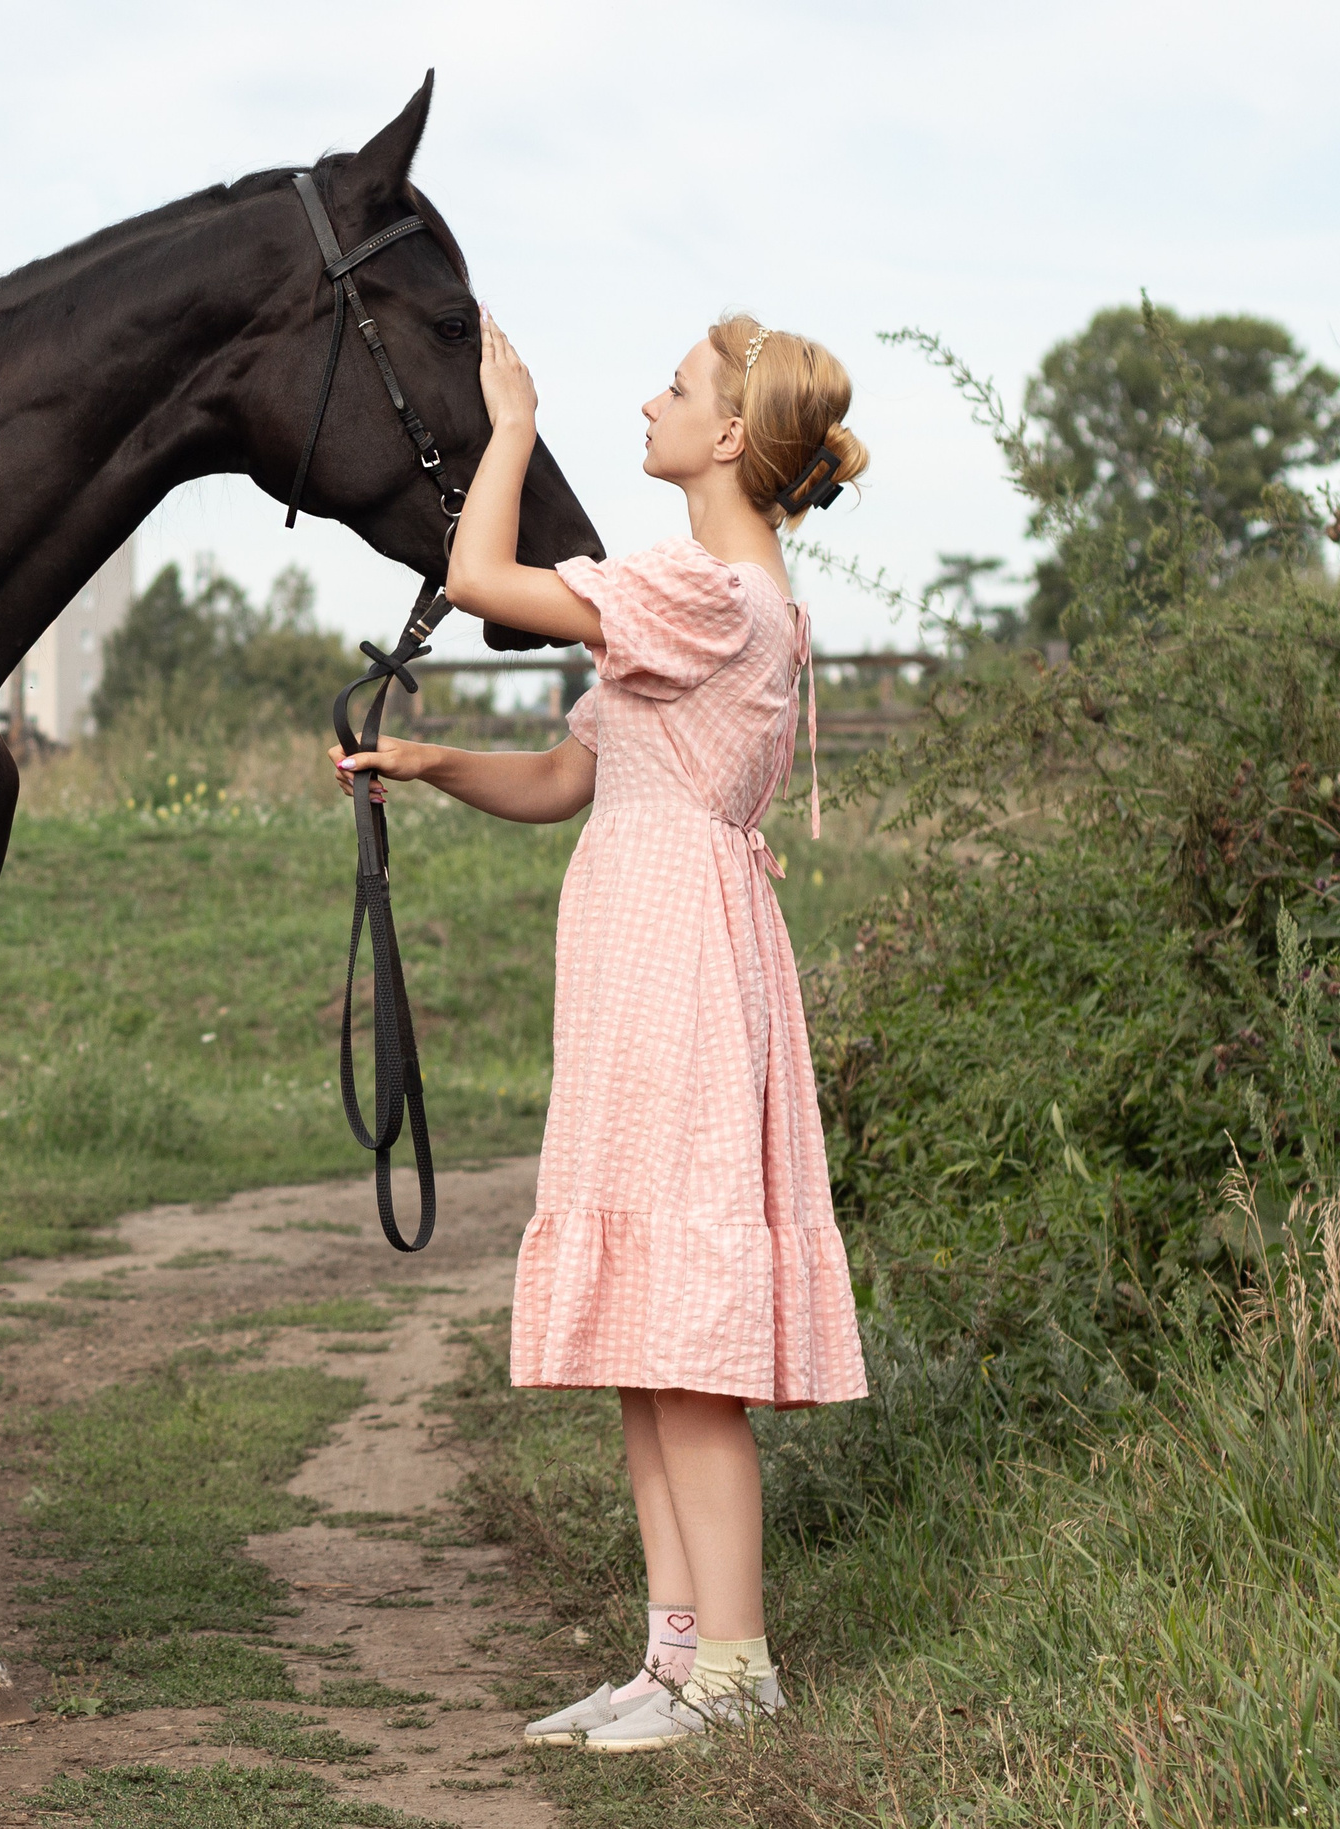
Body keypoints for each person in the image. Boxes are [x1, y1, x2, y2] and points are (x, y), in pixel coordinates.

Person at [330, 313, 871, 1752]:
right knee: (648, 1333)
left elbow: (477, 576)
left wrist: (509, 427)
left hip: (684, 964)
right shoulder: (692, 599)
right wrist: (434, 760)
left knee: (687, 1343)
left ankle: (739, 1669)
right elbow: (576, 773)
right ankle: (673, 1657)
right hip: (645, 962)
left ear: (734, 440)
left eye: (679, 390)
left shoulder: (711, 591)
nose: (651, 402)